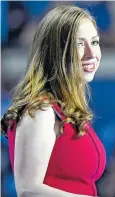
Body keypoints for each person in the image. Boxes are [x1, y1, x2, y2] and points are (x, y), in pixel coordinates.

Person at [1, 5, 106, 197]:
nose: (92, 54)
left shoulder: (69, 112)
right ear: (55, 51)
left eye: (95, 42)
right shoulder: (41, 110)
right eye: (80, 44)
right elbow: (28, 190)